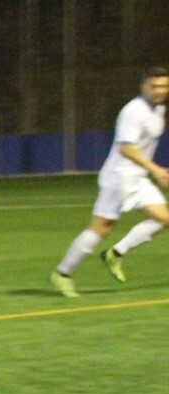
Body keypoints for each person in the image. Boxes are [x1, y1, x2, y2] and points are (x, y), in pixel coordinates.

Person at [51, 66, 169, 297]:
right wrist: (156, 170)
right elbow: (126, 148)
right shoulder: (134, 111)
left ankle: (115, 253)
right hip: (119, 176)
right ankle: (62, 274)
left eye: (164, 86)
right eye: (154, 86)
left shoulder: (159, 109)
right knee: (101, 228)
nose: (159, 91)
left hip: (138, 177)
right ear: (143, 86)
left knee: (164, 219)